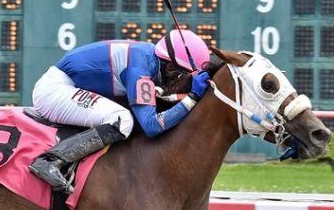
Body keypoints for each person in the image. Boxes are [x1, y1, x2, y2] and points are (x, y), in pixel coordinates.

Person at [28, 29, 212, 194]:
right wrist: (193, 97)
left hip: (68, 85)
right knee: (122, 119)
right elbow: (152, 126)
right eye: (185, 75)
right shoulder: (138, 69)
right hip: (55, 91)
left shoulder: (150, 58)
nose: (184, 81)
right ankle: (50, 161)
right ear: (170, 67)